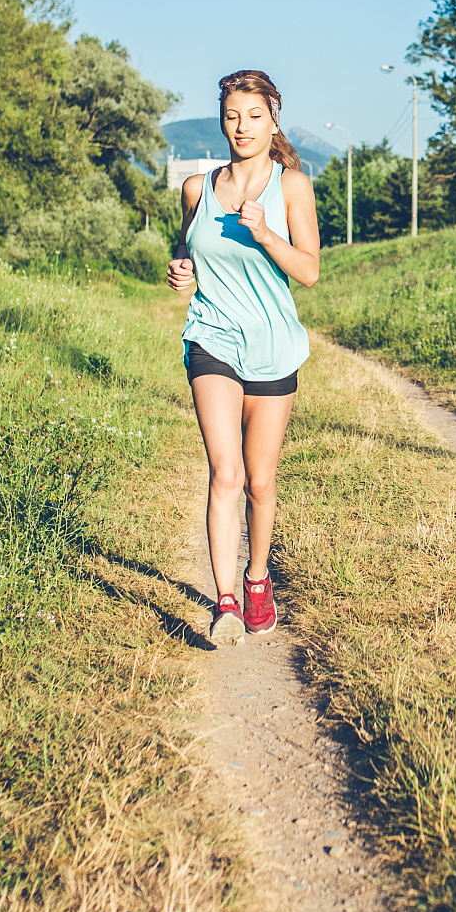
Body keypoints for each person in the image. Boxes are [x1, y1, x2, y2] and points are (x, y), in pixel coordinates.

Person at [166, 70, 320, 637]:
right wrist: (182, 272)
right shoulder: (197, 188)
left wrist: (267, 235)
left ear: (273, 121)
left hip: (273, 344)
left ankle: (257, 580)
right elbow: (188, 249)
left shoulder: (291, 186)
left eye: (254, 116)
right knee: (225, 473)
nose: (242, 126)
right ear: (221, 121)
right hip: (213, 337)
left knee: (259, 481)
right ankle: (226, 601)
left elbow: (309, 272)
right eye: (232, 116)